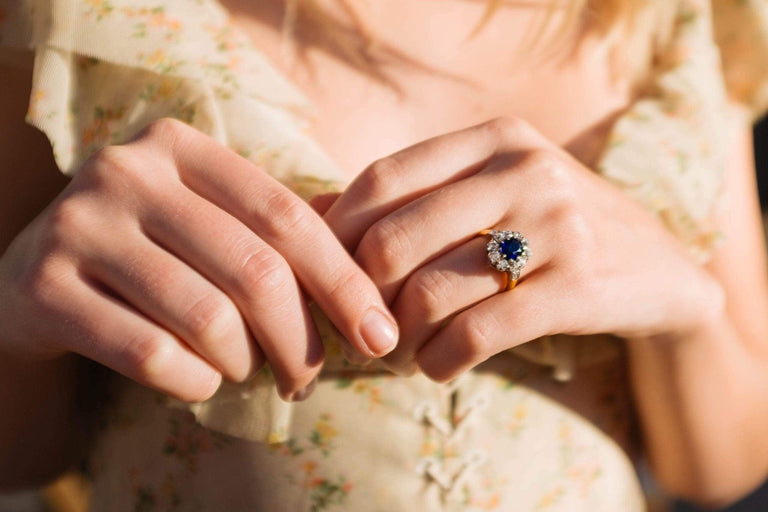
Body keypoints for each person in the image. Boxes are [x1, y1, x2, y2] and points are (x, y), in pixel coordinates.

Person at [1, 0, 768, 509]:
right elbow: (22, 458)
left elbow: (721, 465)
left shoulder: (670, 19)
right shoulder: (90, 16)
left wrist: (685, 309)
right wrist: (17, 321)